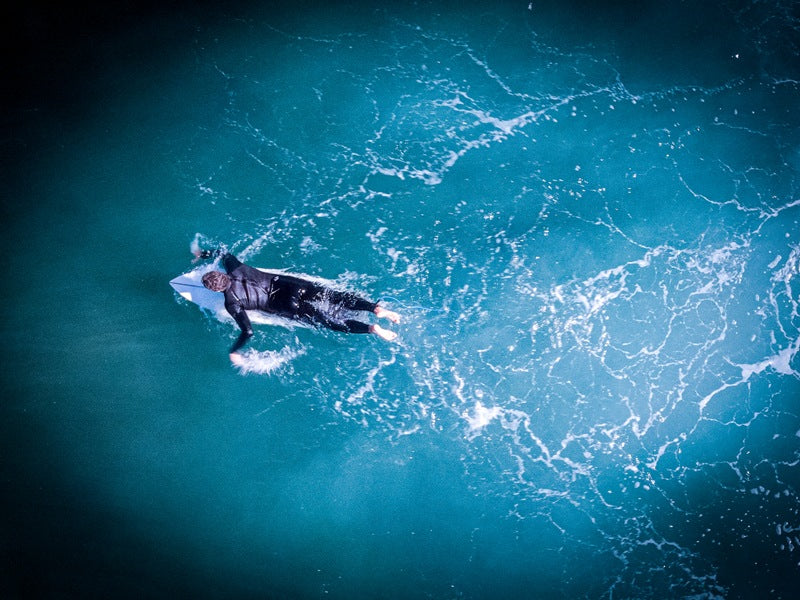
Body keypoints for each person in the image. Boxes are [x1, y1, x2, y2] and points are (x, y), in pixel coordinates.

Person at [194, 249, 400, 365]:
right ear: (221, 274)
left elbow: (248, 332)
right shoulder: (235, 267)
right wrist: (200, 253)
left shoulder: (232, 302)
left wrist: (234, 350)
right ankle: (375, 309)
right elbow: (223, 252)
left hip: (284, 305)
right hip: (291, 286)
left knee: (328, 321)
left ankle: (371, 328)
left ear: (215, 289)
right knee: (336, 297)